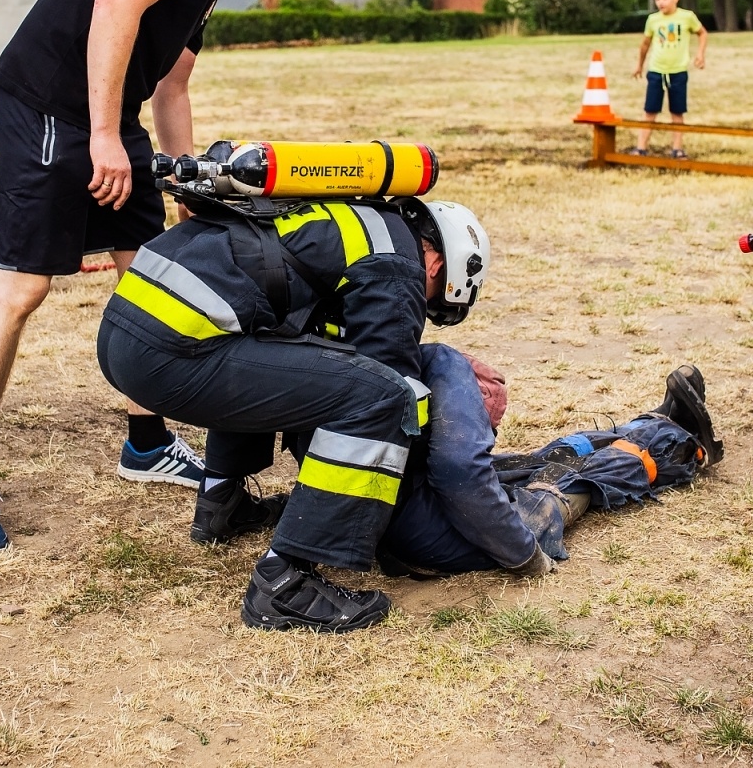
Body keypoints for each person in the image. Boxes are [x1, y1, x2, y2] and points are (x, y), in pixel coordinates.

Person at [0, 0, 338, 557]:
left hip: (109, 111)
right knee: (24, 286)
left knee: (151, 274)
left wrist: (189, 186)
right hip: (48, 101)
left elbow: (174, 84)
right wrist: (99, 137)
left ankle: (146, 445)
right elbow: (114, 5)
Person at [96, 195, 492, 632]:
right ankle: (284, 582)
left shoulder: (357, 221)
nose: (422, 304)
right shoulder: (401, 266)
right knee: (383, 397)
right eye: (433, 300)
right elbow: (392, 383)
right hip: (169, 353)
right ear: (437, 265)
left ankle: (222, 506)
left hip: (124, 330)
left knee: (271, 345)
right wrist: (453, 418)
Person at [376, 357, 721, 579]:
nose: (494, 429)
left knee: (549, 457)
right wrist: (526, 555)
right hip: (440, 522)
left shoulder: (423, 360)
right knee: (569, 479)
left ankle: (646, 424)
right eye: (490, 420)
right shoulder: (448, 373)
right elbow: (460, 471)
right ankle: (679, 446)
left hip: (418, 499)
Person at [633, 0, 708, 159]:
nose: (660, 2)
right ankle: (641, 147)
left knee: (677, 111)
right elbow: (645, 44)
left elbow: (702, 33)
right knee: (650, 110)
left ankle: (677, 148)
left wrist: (700, 54)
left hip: (678, 72)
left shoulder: (687, 17)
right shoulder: (653, 20)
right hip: (657, 71)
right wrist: (639, 65)